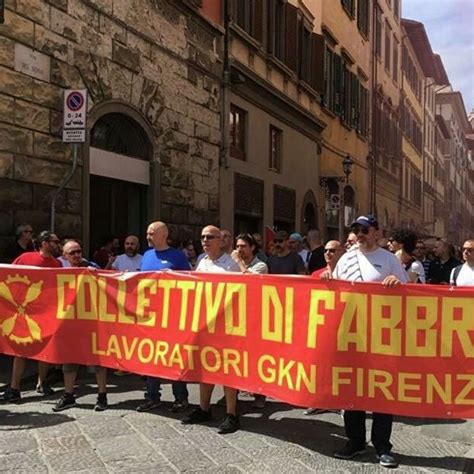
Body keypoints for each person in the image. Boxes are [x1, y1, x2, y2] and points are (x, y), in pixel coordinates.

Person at [325, 215, 408, 469]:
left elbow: (410, 292)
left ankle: (383, 447)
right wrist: (328, 282)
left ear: (376, 233)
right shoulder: (346, 258)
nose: (359, 234)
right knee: (352, 390)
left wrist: (397, 283)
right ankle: (355, 442)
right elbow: (335, 292)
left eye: (364, 230)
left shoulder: (389, 259)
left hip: (381, 338)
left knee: (382, 391)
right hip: (351, 337)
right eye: (356, 230)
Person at [182, 225, 241, 434]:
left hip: (226, 326)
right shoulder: (201, 262)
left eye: (210, 237)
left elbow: (238, 295)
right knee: (204, 366)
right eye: (202, 237)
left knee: (227, 369)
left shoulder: (231, 265)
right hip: (205, 323)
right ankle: (204, 408)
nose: (205, 240)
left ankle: (232, 414)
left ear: (220, 241)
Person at [136, 221, 191, 413]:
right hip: (149, 316)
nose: (148, 237)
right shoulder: (147, 255)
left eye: (151, 233)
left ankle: (180, 397)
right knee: (150, 356)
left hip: (172, 316)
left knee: (175, 357)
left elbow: (191, 282)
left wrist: (174, 276)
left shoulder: (177, 256)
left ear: (163, 235)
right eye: (147, 233)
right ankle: (152, 396)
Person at [1, 231, 62, 402]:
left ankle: (42, 383)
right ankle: (14, 387)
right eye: (54, 241)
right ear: (44, 242)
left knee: (46, 349)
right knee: (20, 350)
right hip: (24, 311)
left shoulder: (56, 263)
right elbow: (9, 276)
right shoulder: (25, 258)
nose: (58, 244)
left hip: (46, 312)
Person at [52, 240, 109, 412]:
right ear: (65, 255)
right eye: (72, 252)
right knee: (69, 361)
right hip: (70, 323)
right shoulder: (61, 271)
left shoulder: (92, 267)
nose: (77, 255)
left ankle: (102, 396)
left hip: (92, 322)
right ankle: (69, 396)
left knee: (98, 361)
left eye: (79, 251)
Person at [304, 240, 345, 416]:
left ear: (342, 253)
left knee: (342, 367)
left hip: (344, 328)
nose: (329, 253)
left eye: (333, 251)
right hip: (321, 328)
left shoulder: (349, 275)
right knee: (321, 365)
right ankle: (319, 400)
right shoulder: (316, 274)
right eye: (326, 251)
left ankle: (342, 402)